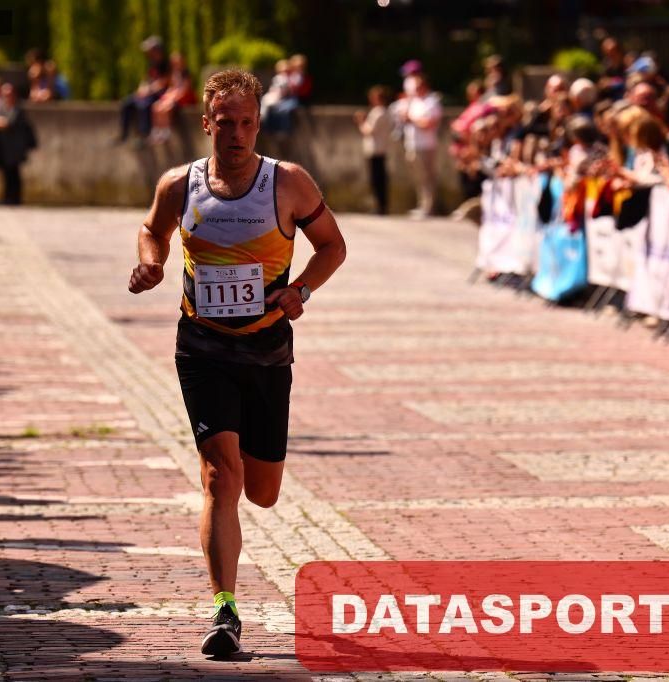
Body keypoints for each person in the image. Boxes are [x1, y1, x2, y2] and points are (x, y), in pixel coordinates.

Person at [127, 69, 346, 657]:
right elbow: (152, 231)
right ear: (207, 124)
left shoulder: (288, 183)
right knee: (220, 476)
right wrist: (151, 262)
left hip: (266, 349)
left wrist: (301, 289)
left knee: (263, 491)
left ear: (258, 125)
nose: (237, 133)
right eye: (226, 123)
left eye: (247, 123)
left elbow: (333, 245)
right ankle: (225, 609)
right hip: (202, 347)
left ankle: (248, 504)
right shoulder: (180, 184)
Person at [400, 71, 443, 218]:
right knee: (419, 178)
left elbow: (429, 124)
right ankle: (422, 205)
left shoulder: (432, 102)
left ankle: (429, 207)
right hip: (412, 144)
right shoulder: (414, 101)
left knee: (428, 178)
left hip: (426, 145)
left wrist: (412, 119)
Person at [117, 36, 170, 143]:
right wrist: (141, 89)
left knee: (144, 106)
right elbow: (146, 80)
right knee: (126, 103)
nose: (148, 53)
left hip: (158, 95)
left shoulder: (166, 65)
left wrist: (148, 90)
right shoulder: (151, 64)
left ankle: (143, 135)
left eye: (151, 50)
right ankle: (124, 134)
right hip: (147, 93)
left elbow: (164, 82)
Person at [0, 84, 36, 205]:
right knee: (6, 174)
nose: (7, 97)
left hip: (15, 149)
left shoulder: (18, 109)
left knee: (14, 174)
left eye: (9, 95)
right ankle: (7, 197)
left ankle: (15, 198)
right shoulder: (2, 108)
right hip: (4, 148)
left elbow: (8, 123)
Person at [354, 86, 393, 214]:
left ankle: (380, 207)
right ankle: (381, 206)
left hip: (376, 150)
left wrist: (361, 121)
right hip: (380, 149)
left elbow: (368, 130)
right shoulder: (384, 112)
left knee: (377, 180)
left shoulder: (378, 112)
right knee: (379, 179)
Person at [150, 52, 196, 144]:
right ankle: (157, 129)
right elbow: (171, 87)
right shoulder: (173, 73)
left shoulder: (185, 73)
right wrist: (167, 96)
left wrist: (172, 98)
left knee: (167, 108)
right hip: (174, 95)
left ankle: (166, 129)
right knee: (156, 106)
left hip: (184, 97)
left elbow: (185, 89)